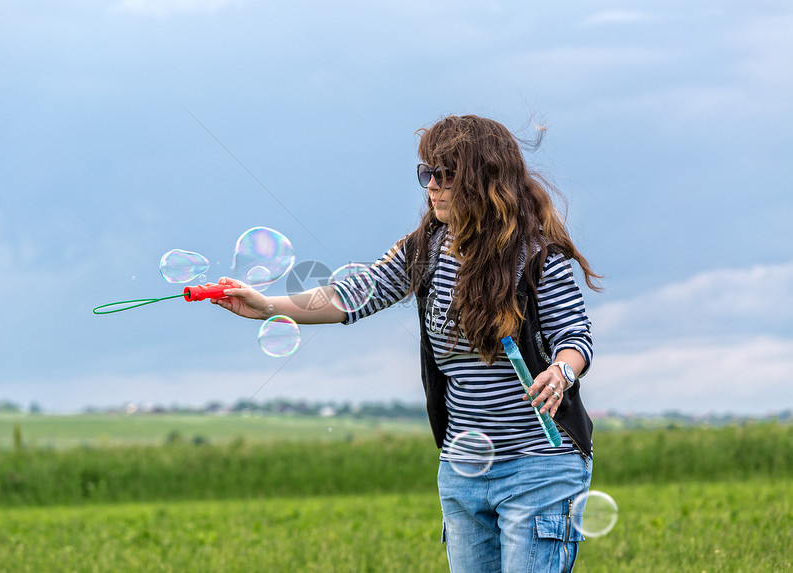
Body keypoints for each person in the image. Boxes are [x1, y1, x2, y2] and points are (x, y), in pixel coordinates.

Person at [209, 114, 603, 572]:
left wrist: (562, 370)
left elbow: (575, 336)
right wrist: (266, 305)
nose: (431, 186)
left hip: (540, 465)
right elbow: (354, 293)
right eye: (427, 173)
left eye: (446, 174)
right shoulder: (427, 249)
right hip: (464, 468)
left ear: (485, 180)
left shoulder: (537, 258)